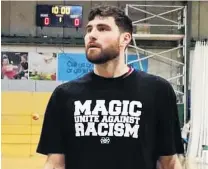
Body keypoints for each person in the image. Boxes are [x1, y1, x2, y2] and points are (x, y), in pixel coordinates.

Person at [37, 5, 184, 169]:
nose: (92, 35)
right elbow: (55, 164)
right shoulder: (64, 95)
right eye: (89, 29)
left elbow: (169, 163)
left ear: (125, 39)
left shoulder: (158, 90)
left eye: (103, 29)